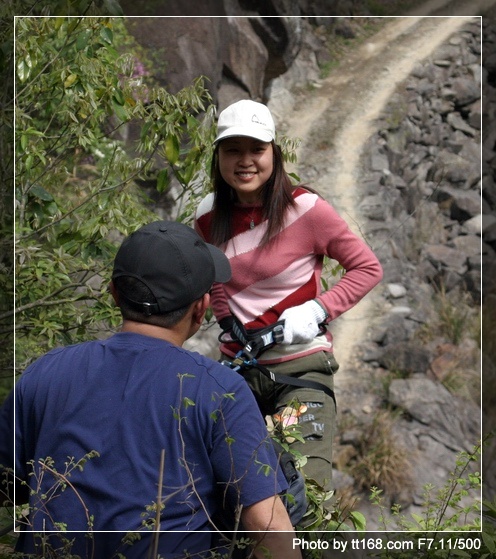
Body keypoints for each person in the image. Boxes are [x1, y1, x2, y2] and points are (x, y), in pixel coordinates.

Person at [0, 220, 302, 559]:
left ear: (114, 293)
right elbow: (269, 527)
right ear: (201, 309)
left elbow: (8, 484)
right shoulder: (220, 390)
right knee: (291, 486)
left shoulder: (46, 371)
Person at [194, 99, 383, 502]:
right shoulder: (208, 215)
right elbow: (215, 280)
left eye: (256, 149)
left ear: (274, 154)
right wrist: (228, 322)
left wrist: (317, 310)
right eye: (233, 150)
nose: (245, 160)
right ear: (219, 157)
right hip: (238, 369)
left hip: (301, 367)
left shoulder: (307, 210)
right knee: (226, 492)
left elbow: (367, 268)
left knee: (305, 495)